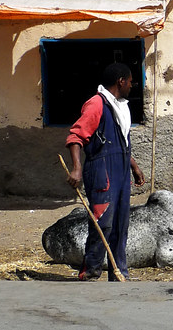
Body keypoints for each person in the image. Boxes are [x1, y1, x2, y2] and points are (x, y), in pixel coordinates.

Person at [65, 62, 146, 281]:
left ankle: (118, 272)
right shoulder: (96, 104)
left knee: (121, 224)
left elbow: (121, 144)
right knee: (103, 222)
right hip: (102, 172)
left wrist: (134, 166)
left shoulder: (121, 107)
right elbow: (76, 138)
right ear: (121, 81)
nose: (132, 85)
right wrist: (76, 168)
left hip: (121, 172)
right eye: (130, 81)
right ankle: (90, 270)